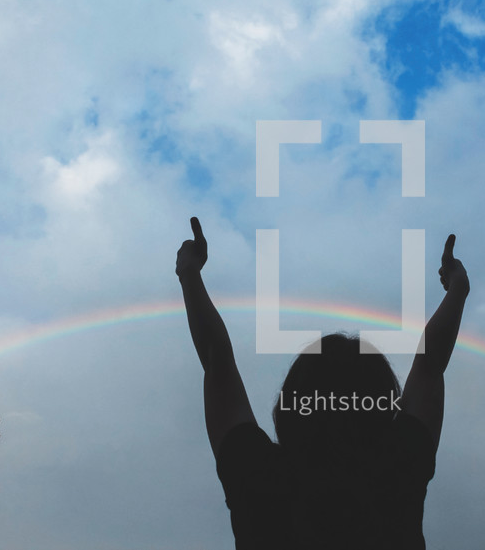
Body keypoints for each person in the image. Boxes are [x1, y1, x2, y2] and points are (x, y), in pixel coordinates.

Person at [176, 217, 469, 550]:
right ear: (383, 402)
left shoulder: (258, 478)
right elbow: (430, 365)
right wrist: (458, 289)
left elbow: (217, 365)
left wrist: (189, 273)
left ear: (292, 402)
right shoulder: (398, 471)